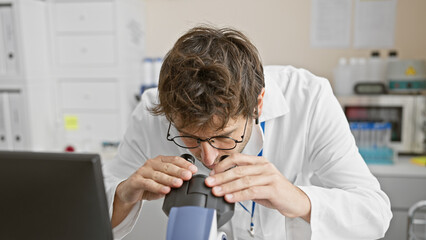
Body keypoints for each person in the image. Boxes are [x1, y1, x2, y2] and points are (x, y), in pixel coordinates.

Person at [103, 26, 392, 239]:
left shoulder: (309, 98)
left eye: (224, 136)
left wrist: (296, 198)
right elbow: (94, 218)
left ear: (258, 103)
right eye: (189, 137)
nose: (208, 156)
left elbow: (375, 214)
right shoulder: (151, 110)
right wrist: (123, 194)